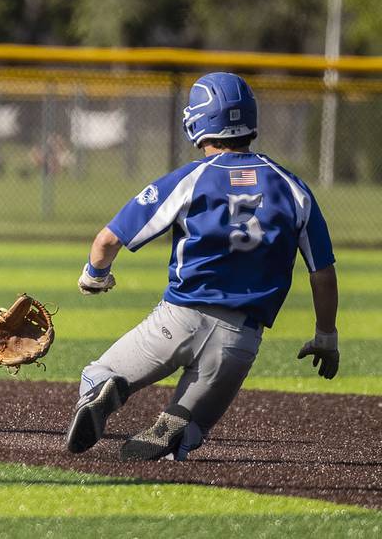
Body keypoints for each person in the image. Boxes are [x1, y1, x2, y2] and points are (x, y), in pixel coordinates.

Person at [65, 72, 339, 461]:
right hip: (240, 338)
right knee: (188, 436)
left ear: (199, 120)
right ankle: (179, 421)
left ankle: (109, 388)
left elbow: (107, 241)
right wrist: (325, 337)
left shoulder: (191, 178)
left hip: (178, 319)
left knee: (96, 377)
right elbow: (323, 274)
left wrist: (95, 276)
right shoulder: (292, 187)